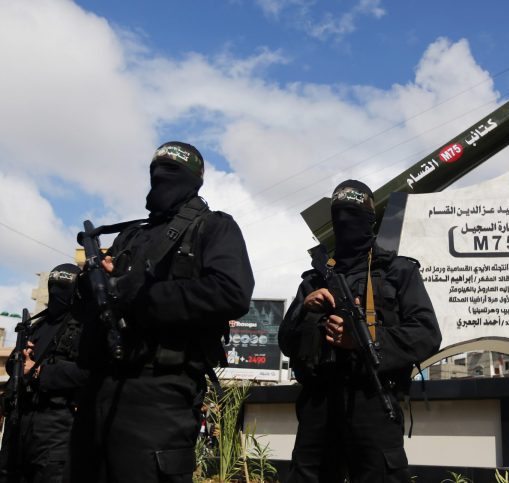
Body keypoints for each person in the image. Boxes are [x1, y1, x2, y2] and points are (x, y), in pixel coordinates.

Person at [70, 141, 255, 483]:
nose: (161, 177)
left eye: (172, 170)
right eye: (156, 170)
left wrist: (141, 297)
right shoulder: (131, 236)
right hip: (100, 388)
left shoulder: (213, 227)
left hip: (161, 393)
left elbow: (232, 292)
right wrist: (94, 286)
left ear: (194, 178)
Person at [278, 179, 441, 483]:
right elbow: (286, 342)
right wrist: (304, 308)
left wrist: (366, 339)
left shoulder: (398, 271)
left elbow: (427, 333)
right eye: (338, 214)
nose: (344, 222)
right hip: (319, 401)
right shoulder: (316, 278)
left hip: (373, 396)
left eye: (353, 215)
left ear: (370, 220)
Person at [0, 263, 89, 483]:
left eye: (63, 286)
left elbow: (89, 373)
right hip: (19, 419)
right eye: (53, 286)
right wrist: (19, 359)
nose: (56, 293)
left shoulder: (85, 326)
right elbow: (14, 365)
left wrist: (40, 372)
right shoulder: (37, 324)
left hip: (57, 424)